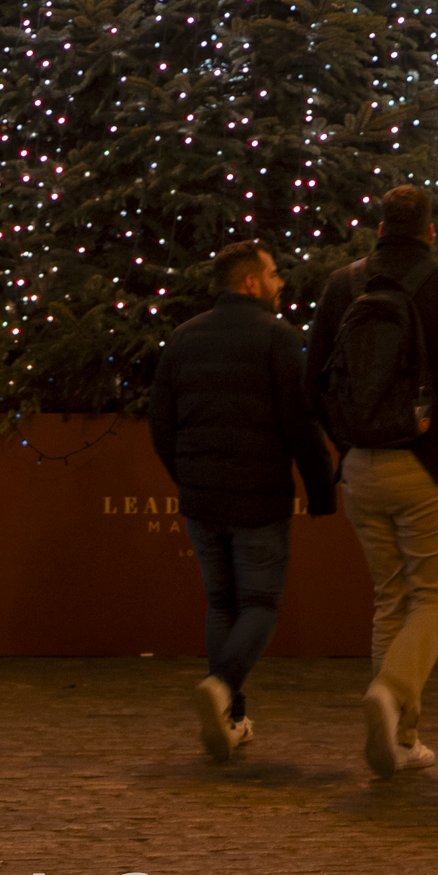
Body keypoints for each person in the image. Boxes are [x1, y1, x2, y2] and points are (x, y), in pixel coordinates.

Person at [307, 181, 438, 779]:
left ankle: (404, 738)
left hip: (360, 464)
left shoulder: (343, 284)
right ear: (430, 230)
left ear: (380, 228)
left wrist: (347, 443)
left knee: (391, 597)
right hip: (428, 464)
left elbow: (316, 380)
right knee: (436, 596)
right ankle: (391, 692)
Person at [147, 238, 337, 763]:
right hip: (259, 500)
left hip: (202, 501)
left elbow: (161, 422)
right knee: (259, 603)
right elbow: (299, 422)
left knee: (222, 603)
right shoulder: (277, 338)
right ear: (251, 282)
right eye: (274, 274)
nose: (282, 283)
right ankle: (223, 686)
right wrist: (321, 490)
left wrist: (186, 477)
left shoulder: (183, 339)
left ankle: (232, 718)